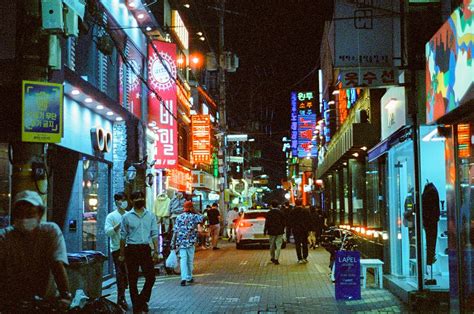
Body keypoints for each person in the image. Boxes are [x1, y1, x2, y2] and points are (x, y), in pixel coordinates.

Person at [0, 190, 71, 310]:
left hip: (46, 301)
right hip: (13, 301)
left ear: (40, 214)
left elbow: (57, 264)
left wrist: (65, 296)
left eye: (29, 214)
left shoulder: (50, 231)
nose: (24, 219)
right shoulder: (5, 236)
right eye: (20, 214)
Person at [120, 191, 159, 313]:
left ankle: (141, 300)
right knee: (133, 280)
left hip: (145, 249)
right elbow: (122, 237)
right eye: (136, 198)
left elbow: (154, 234)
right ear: (131, 201)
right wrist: (121, 254)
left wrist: (156, 251)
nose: (139, 200)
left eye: (141, 197)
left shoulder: (150, 216)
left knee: (151, 277)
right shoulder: (126, 217)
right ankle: (137, 307)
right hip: (131, 249)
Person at [105, 192, 129, 310]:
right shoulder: (111, 216)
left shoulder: (130, 214)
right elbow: (108, 232)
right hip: (117, 248)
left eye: (125, 199)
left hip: (129, 248)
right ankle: (121, 298)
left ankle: (125, 295)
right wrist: (119, 225)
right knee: (120, 274)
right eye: (121, 200)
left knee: (127, 274)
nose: (123, 202)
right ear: (116, 202)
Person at [171, 201, 204, 286]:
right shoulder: (194, 216)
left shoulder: (179, 217)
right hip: (190, 242)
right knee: (189, 260)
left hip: (181, 242)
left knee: (183, 260)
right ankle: (189, 276)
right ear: (191, 208)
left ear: (183, 208)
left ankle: (183, 278)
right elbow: (203, 217)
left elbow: (175, 230)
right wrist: (195, 211)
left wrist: (173, 242)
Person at [264, 200, 286, 265]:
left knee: (272, 245)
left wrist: (265, 230)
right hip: (279, 231)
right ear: (278, 205)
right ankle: (276, 259)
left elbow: (267, 223)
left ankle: (272, 257)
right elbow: (284, 222)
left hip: (271, 231)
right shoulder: (281, 213)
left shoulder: (269, 213)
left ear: (271, 205)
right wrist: (283, 228)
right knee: (278, 245)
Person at [290, 198, 310, 263]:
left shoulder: (292, 211)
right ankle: (305, 257)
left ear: (295, 203)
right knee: (304, 243)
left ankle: (299, 258)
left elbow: (290, 221)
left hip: (296, 230)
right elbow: (309, 220)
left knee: (297, 244)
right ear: (301, 203)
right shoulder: (306, 211)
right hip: (304, 230)